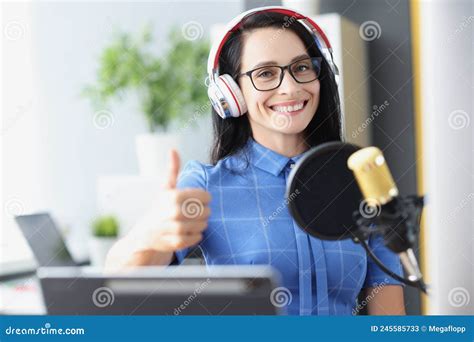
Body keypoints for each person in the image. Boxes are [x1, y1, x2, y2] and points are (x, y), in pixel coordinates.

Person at [106, 7, 406, 316]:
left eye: (301, 67)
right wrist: (150, 234)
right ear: (231, 93)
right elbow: (116, 286)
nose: (290, 88)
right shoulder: (206, 185)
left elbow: (389, 320)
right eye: (265, 73)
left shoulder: (361, 179)